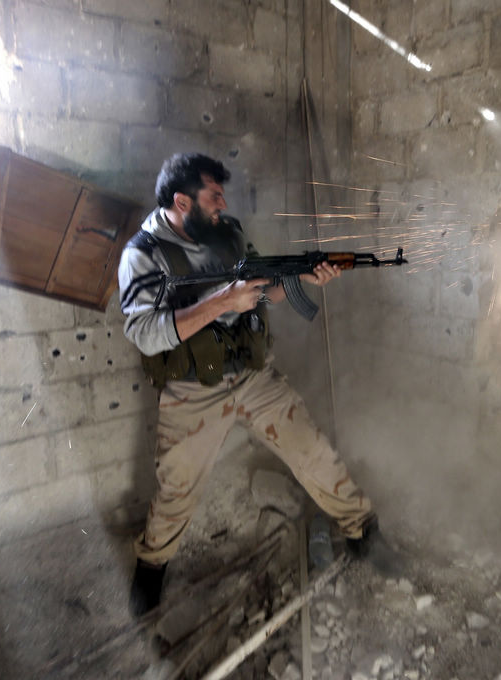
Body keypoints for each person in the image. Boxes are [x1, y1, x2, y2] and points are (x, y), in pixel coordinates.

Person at [118, 153, 383, 617]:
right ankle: (151, 569)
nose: (222, 205)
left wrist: (303, 276)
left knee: (314, 452)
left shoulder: (228, 232)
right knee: (176, 490)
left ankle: (364, 533)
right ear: (182, 201)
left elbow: (267, 289)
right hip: (193, 390)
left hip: (253, 375)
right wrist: (221, 299)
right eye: (213, 197)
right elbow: (142, 330)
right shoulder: (142, 254)